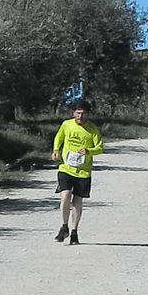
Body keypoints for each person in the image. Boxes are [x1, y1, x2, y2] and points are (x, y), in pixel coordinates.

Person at [51, 101, 104, 245]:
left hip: (83, 172)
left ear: (88, 114)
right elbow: (59, 137)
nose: (80, 116)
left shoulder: (92, 129)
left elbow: (100, 148)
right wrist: (56, 150)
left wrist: (89, 151)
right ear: (73, 113)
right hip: (66, 168)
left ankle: (74, 231)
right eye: (78, 113)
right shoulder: (66, 125)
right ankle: (64, 226)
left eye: (83, 113)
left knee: (77, 202)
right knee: (65, 196)